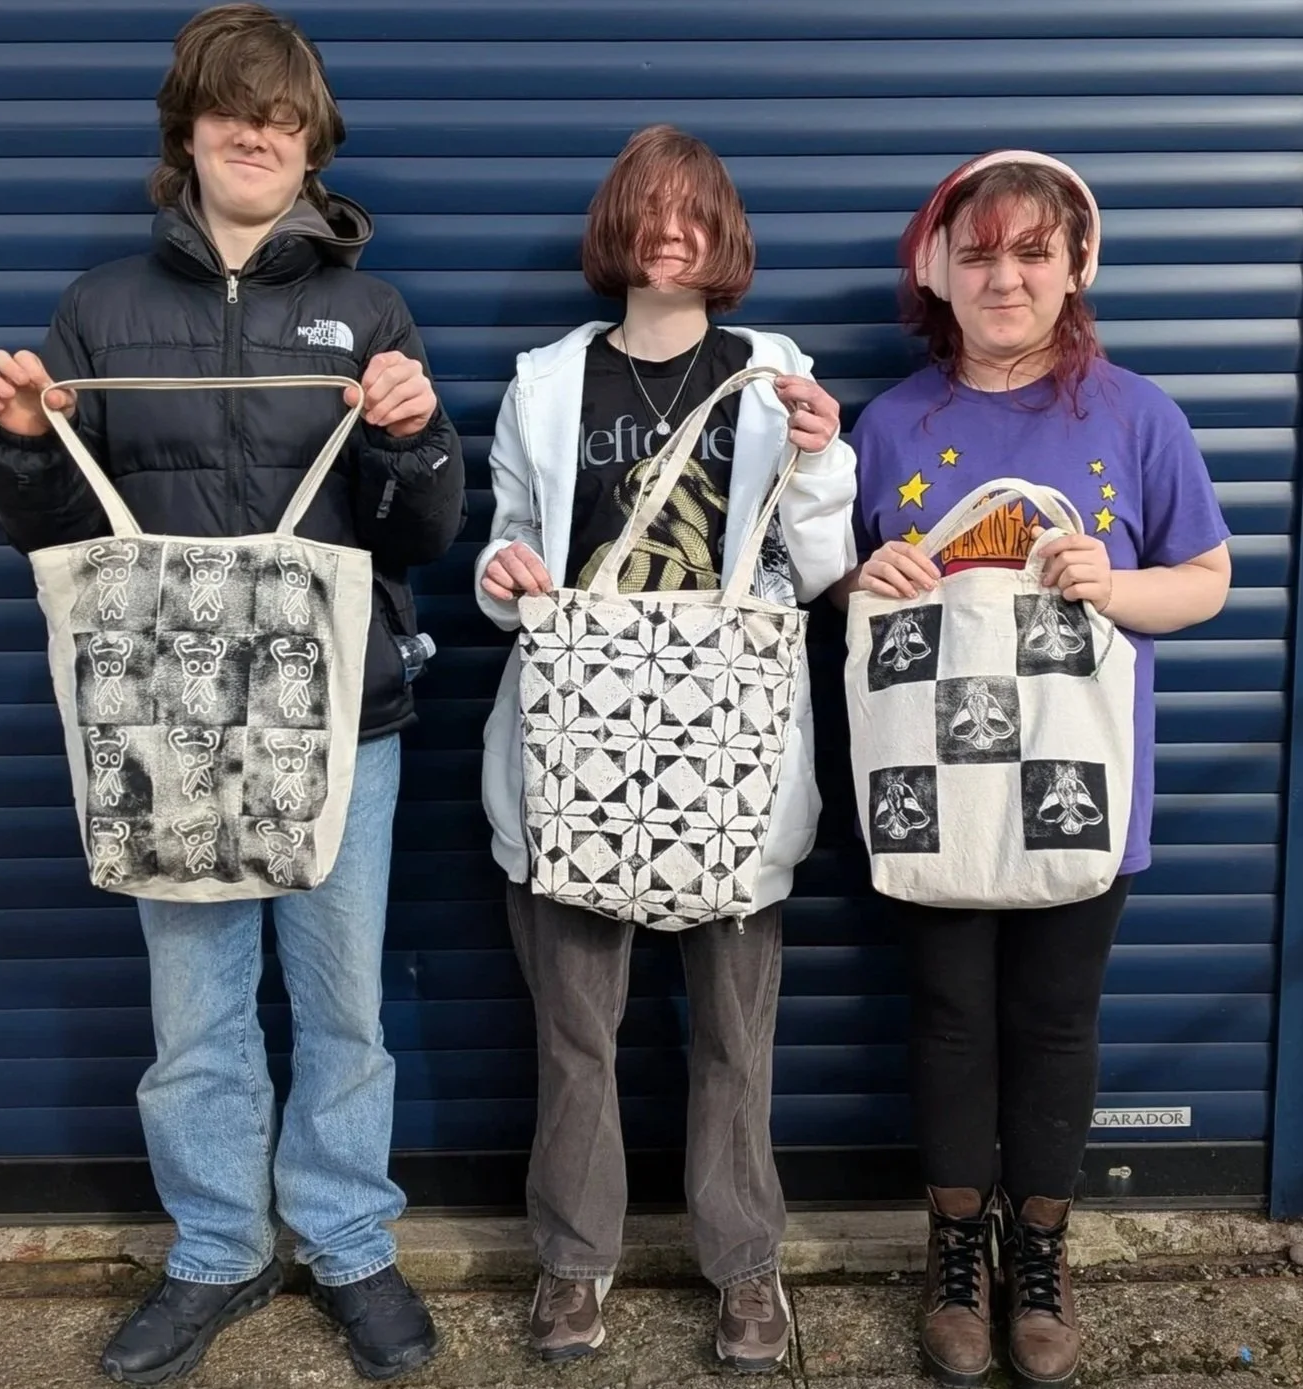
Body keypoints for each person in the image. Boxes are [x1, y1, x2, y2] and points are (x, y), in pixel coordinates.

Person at [0, 6, 464, 1383]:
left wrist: (419, 442)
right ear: (186, 129)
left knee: (343, 1006)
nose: (257, 131)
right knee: (195, 1012)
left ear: (310, 145)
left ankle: (350, 1242)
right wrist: (19, 444)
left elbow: (417, 538)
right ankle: (215, 1251)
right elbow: (54, 538)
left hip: (343, 723)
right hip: (164, 727)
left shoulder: (367, 313)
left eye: (284, 115)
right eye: (231, 107)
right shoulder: (103, 310)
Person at [831, 151, 1230, 1389]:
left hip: (1080, 789)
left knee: (1057, 1022)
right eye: (979, 253)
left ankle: (1042, 1252)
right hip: (932, 791)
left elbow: (1206, 579)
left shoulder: (1135, 415)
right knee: (950, 1017)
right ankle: (955, 1248)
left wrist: (1117, 587)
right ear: (936, 271)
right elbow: (825, 586)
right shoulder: (890, 422)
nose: (1004, 276)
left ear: (1075, 268)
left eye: (1031, 253)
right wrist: (865, 577)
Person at [474, 124, 856, 1373]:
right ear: (620, 228)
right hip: (575, 748)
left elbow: (825, 571)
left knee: (734, 1037)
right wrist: (506, 572)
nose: (673, 229)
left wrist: (816, 461)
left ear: (726, 231)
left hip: (730, 758)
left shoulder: (773, 373)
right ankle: (573, 1266)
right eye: (651, 208)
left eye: (697, 210)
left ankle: (747, 1270)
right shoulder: (547, 383)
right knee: (576, 1033)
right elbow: (507, 550)